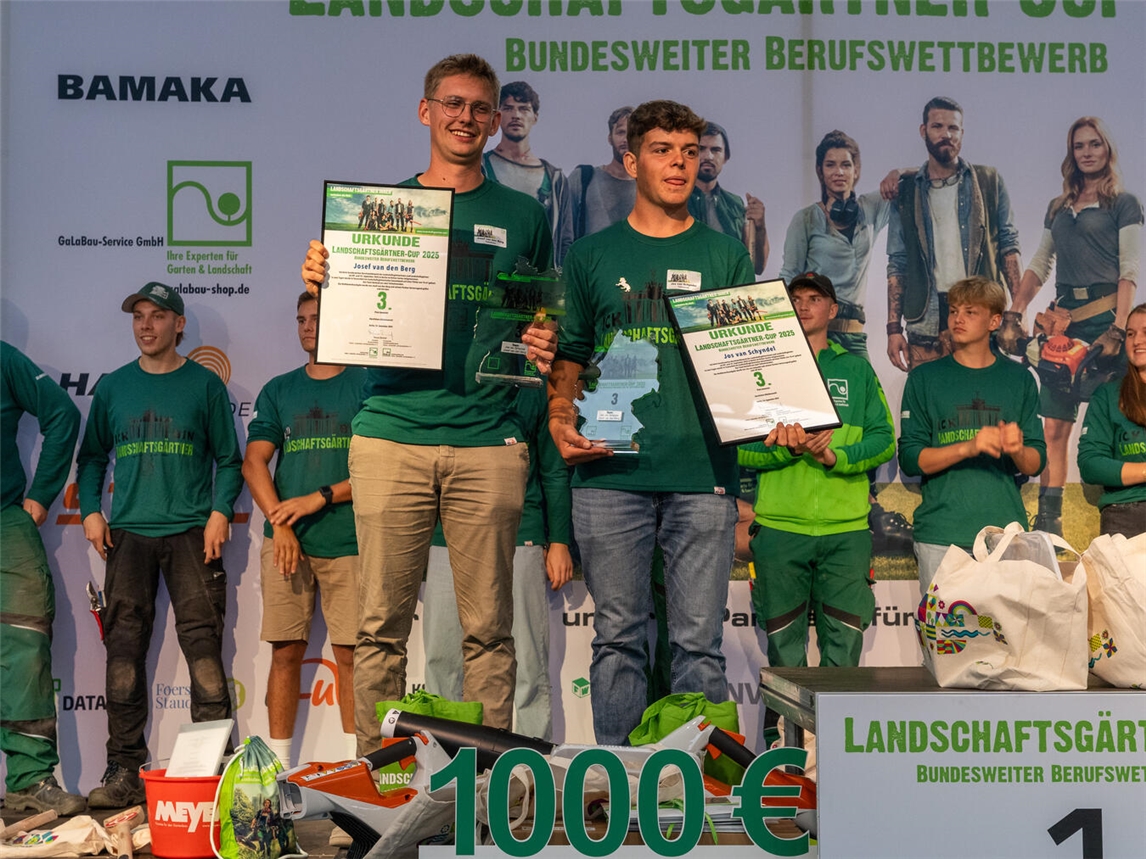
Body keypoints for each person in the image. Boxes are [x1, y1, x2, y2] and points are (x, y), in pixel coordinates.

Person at [300, 54, 555, 751]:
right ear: (426, 111)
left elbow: (534, 317)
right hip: (391, 434)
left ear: (496, 117)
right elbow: (341, 331)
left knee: (489, 630)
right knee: (378, 625)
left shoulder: (525, 215)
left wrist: (543, 331)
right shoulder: (381, 213)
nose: (465, 118)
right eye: (452, 104)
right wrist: (330, 278)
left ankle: (491, 784)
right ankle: (382, 780)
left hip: (487, 439)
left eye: (479, 107)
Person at [549, 99, 754, 745]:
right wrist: (559, 413)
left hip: (703, 474)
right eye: (664, 151)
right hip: (609, 472)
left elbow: (752, 363)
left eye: (690, 152)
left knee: (698, 645)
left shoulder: (725, 255)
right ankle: (617, 782)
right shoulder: (589, 255)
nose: (680, 163)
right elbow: (570, 355)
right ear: (631, 160)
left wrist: (781, 414)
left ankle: (703, 787)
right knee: (619, 640)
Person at [77, 282, 243, 807]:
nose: (146, 326)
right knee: (123, 660)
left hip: (193, 536)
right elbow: (91, 459)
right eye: (138, 317)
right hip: (127, 537)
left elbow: (231, 460)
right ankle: (124, 772)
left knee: (205, 658)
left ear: (179, 325)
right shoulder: (113, 387)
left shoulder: (205, 386)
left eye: (157, 316)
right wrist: (90, 511)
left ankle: (215, 775)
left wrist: (219, 512)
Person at [738, 273, 894, 746]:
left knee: (843, 650)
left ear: (832, 310)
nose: (804, 306)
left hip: (846, 533)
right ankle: (785, 766)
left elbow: (884, 440)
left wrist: (834, 457)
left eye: (815, 299)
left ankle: (837, 762)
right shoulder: (761, 369)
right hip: (780, 531)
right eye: (795, 299)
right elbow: (740, 450)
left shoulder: (857, 370)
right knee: (784, 653)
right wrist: (787, 451)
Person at [242, 292, 366, 774]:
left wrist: (321, 496)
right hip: (286, 544)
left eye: (317, 318)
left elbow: (378, 470)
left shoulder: (366, 386)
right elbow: (254, 463)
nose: (307, 327)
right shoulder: (278, 389)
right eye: (301, 319)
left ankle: (363, 773)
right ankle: (277, 774)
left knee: (353, 655)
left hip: (349, 542)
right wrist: (280, 523)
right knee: (285, 652)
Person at [1003, 117, 1143, 535]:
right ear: (1072, 153)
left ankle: (1129, 507)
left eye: (1095, 144)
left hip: (1107, 321)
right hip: (1065, 326)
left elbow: (1130, 268)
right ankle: (1050, 522)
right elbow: (1041, 263)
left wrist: (1119, 328)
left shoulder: (1124, 202)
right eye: (1079, 145)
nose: (1087, 152)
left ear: (1107, 150)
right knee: (1055, 426)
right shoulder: (1057, 207)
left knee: (1124, 412)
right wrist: (1016, 309)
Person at [779, 130, 910, 555]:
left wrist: (896, 174)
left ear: (857, 170)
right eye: (831, 164)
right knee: (811, 418)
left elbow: (917, 177)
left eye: (847, 164)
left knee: (862, 418)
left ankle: (865, 505)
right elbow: (786, 277)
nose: (839, 172)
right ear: (820, 170)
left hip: (853, 335)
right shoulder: (806, 219)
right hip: (813, 334)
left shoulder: (871, 206)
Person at [421, 387, 572, 740]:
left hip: (521, 534)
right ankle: (445, 764)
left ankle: (531, 767)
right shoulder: (444, 389)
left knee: (526, 665)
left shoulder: (531, 389)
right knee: (443, 661)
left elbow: (552, 470)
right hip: (445, 537)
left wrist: (560, 540)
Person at [898, 276, 1045, 595]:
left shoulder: (1019, 379)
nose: (958, 319)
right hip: (941, 536)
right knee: (944, 644)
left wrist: (1017, 449)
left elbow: (1035, 463)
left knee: (1008, 643)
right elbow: (910, 459)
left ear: (994, 321)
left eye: (970, 312)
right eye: (953, 311)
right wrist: (970, 446)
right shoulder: (924, 378)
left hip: (1005, 535)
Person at [1, 341, 85, 815]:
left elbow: (62, 414)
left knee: (28, 639)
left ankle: (29, 779)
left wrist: (41, 495)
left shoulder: (4, 359)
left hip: (5, 520)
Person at [884, 97, 1022, 373]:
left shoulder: (989, 181)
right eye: (937, 126)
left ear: (962, 133)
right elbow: (897, 262)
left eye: (953, 128)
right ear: (923, 131)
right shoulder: (907, 190)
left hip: (980, 311)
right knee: (930, 404)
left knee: (983, 403)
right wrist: (892, 329)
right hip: (925, 316)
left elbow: (1009, 246)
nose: (946, 135)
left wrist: (1017, 314)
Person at [483, 81, 574, 266]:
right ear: (497, 116)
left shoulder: (555, 180)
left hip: (540, 285)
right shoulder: (480, 168)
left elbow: (565, 243)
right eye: (508, 108)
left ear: (535, 117)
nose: (516, 115)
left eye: (524, 109)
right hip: (490, 281)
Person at [1077, 303, 1146, 537]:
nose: (1137, 341)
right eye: (1130, 334)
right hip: (1125, 514)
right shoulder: (1106, 395)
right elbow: (1091, 464)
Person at [688, 121, 769, 275]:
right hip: (686, 292)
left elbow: (756, 267)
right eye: (701, 149)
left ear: (726, 156)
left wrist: (760, 227)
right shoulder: (674, 201)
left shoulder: (737, 204)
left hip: (729, 292)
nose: (708, 156)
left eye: (716, 150)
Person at [569, 106, 636, 239]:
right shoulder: (583, 179)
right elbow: (564, 234)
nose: (626, 139)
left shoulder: (652, 186)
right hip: (590, 259)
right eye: (620, 132)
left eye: (633, 134)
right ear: (610, 138)